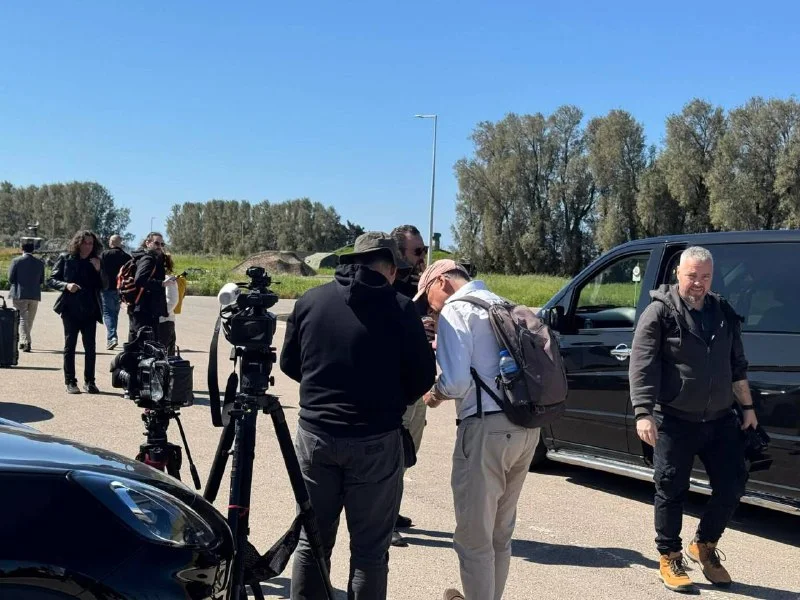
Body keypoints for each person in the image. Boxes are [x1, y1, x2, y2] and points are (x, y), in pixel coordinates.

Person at [280, 231, 436, 600]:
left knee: (312, 542)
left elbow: (290, 363)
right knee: (369, 553)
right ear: (391, 270)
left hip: (316, 435)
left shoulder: (311, 301)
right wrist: (386, 400)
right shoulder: (401, 309)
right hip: (375, 440)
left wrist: (325, 391)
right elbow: (422, 377)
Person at [629, 246, 756, 593]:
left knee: (733, 484)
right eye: (692, 275)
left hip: (719, 419)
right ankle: (669, 556)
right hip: (674, 419)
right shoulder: (659, 312)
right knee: (671, 488)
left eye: (705, 276)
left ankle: (704, 545)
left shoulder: (722, 312)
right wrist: (643, 412)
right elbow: (642, 365)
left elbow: (737, 364)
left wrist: (747, 407)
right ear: (678, 274)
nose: (698, 282)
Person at [415, 259, 539, 600]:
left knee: (473, 538)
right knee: (500, 533)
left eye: (427, 297)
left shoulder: (456, 310)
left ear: (441, 281)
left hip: (486, 429)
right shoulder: (502, 303)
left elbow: (455, 383)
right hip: (526, 427)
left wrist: (434, 394)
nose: (430, 307)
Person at [389, 223, 431, 547]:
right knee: (392, 455)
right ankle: (384, 521)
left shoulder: (421, 286)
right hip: (398, 386)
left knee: (408, 452)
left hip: (419, 386)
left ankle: (392, 508)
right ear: (398, 252)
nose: (422, 257)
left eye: (424, 250)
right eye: (417, 251)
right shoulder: (388, 286)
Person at [48, 230, 104, 394]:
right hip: (70, 308)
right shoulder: (66, 258)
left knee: (90, 347)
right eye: (85, 243)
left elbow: (105, 286)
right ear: (78, 243)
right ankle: (70, 381)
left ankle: (90, 381)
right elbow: (51, 280)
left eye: (91, 243)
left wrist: (99, 270)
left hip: (90, 309)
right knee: (70, 345)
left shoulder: (96, 261)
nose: (88, 246)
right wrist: (66, 285)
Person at [127, 232, 168, 343]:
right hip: (144, 308)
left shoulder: (151, 258)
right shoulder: (148, 258)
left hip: (144, 307)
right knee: (143, 343)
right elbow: (140, 279)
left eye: (162, 244)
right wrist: (161, 284)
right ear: (148, 243)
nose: (159, 246)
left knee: (141, 342)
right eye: (156, 243)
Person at [7, 240, 45, 352]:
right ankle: (24, 341)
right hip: (34, 294)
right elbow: (41, 280)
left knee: (22, 318)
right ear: (33, 250)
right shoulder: (40, 263)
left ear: (21, 249)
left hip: (19, 293)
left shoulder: (16, 261)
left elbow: (10, 278)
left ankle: (26, 341)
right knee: (30, 319)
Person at [99, 234, 131, 350]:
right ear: (120, 243)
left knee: (108, 313)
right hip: (121, 289)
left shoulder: (104, 255)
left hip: (106, 288)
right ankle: (112, 336)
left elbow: (98, 269)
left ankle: (112, 337)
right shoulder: (126, 257)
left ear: (111, 242)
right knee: (115, 313)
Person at [158, 253, 179, 356]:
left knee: (166, 355)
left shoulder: (168, 279)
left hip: (165, 321)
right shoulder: (160, 278)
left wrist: (160, 313)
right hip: (163, 321)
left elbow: (172, 300)